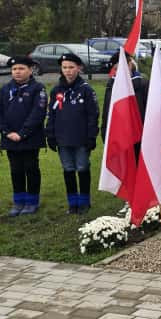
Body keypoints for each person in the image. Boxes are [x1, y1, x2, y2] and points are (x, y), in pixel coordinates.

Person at [0, 56, 47, 216]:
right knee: (16, 170)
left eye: (21, 68)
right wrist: (6, 132)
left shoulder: (38, 89)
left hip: (30, 138)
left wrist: (22, 133)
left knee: (31, 168)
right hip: (10, 139)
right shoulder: (4, 89)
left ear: (30, 70)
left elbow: (38, 113)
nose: (17, 72)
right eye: (15, 69)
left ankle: (32, 201)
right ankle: (19, 201)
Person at [46, 53, 99, 214]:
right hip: (63, 139)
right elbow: (51, 114)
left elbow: (92, 115)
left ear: (79, 68)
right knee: (68, 169)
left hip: (81, 138)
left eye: (71, 67)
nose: (68, 71)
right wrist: (51, 135)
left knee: (82, 167)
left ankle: (84, 202)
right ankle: (72, 202)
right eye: (64, 68)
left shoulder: (86, 90)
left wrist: (91, 136)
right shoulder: (56, 91)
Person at [101, 51, 149, 148]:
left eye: (121, 68)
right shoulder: (111, 85)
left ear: (130, 65)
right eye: (116, 69)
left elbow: (149, 110)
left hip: (140, 134)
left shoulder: (143, 84)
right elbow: (107, 110)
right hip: (119, 134)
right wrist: (105, 131)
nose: (119, 72)